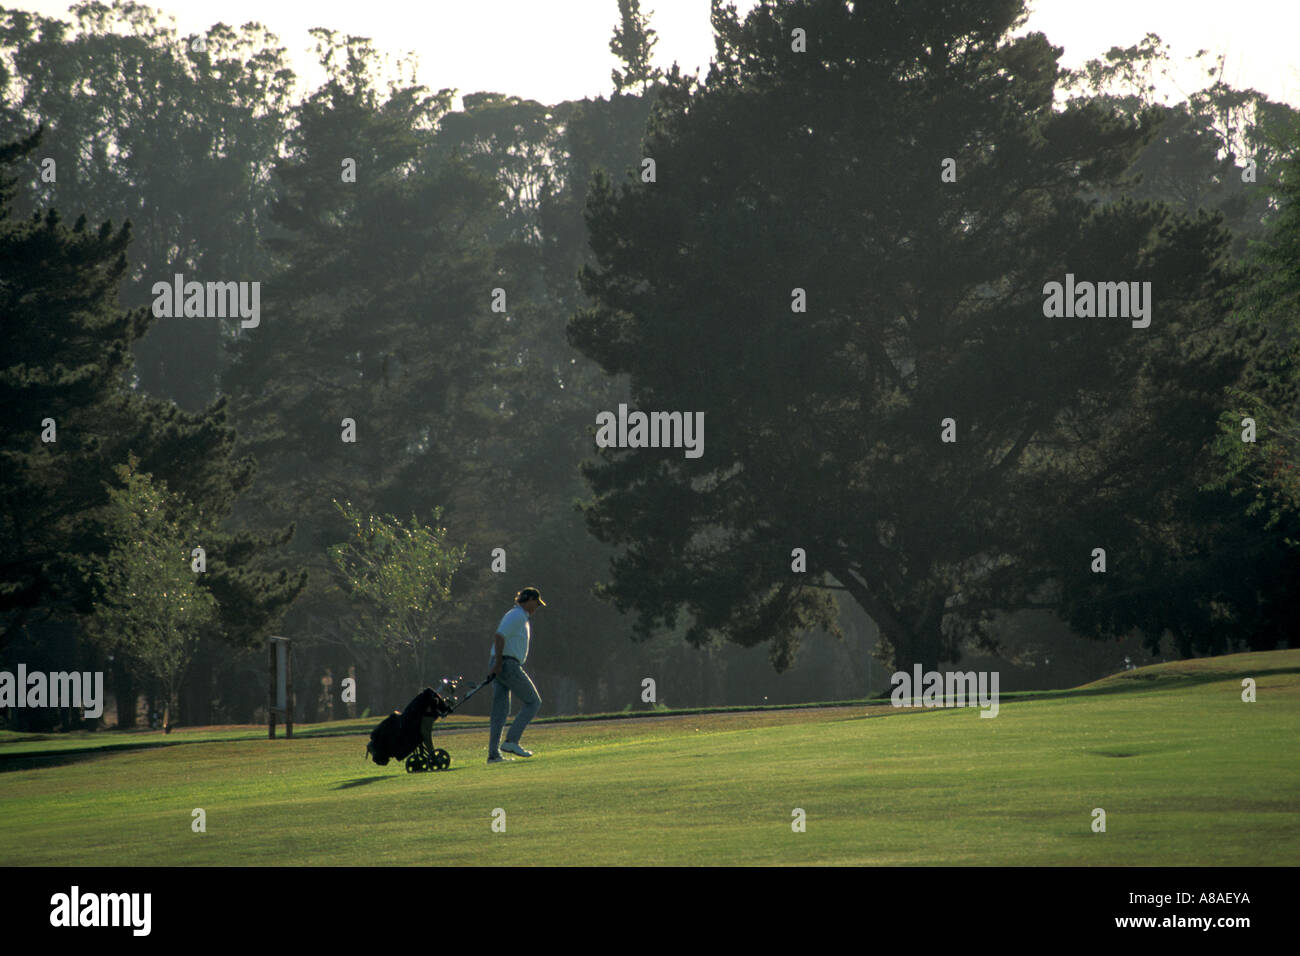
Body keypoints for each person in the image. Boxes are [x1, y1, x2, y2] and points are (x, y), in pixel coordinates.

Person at [487, 587, 545, 763]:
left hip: (501, 662)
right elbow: (499, 636)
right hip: (506, 664)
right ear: (528, 600)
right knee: (533, 701)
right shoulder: (517, 615)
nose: (537, 607)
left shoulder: (519, 616)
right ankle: (511, 741)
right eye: (536, 602)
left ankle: (494, 755)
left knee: (500, 711)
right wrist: (498, 663)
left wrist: (496, 663)